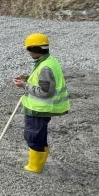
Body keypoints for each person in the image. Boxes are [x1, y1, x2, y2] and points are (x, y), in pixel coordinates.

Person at [13, 33, 70, 174]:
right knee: (38, 135)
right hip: (42, 108)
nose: (28, 52)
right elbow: (41, 80)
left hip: (39, 109)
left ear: (36, 49)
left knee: (33, 136)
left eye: (29, 49)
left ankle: (35, 166)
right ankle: (39, 161)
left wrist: (24, 85)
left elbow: (46, 91)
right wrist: (27, 78)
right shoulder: (47, 61)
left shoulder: (45, 67)